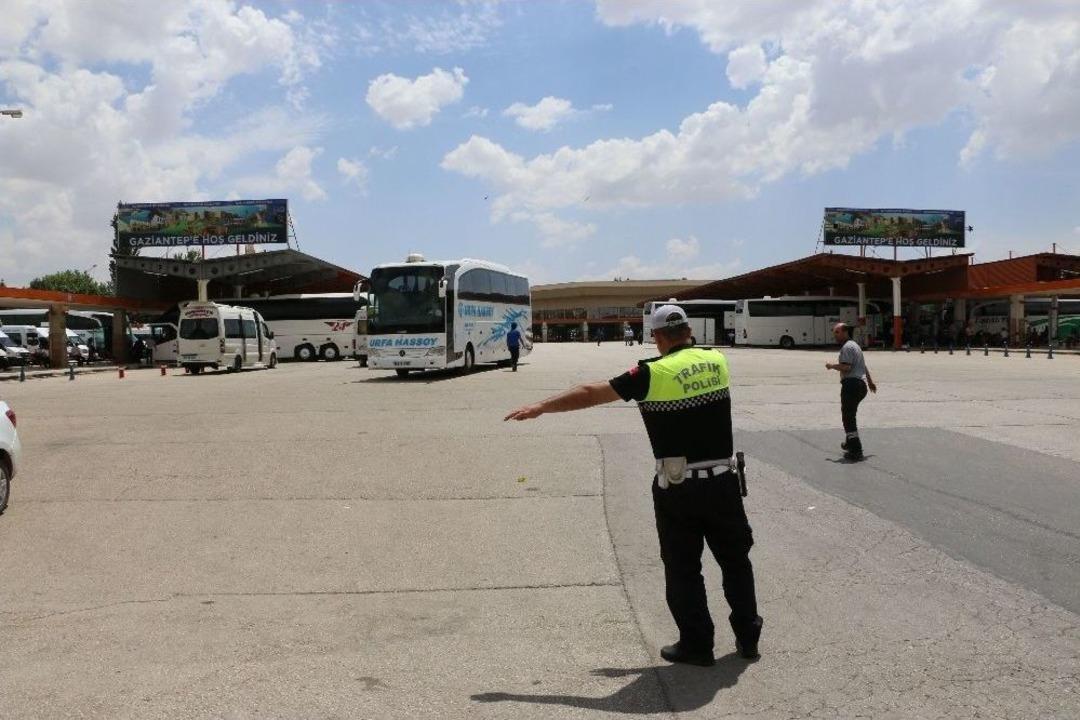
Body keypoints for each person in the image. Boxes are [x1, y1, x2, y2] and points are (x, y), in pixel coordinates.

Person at [505, 304, 762, 666]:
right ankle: (748, 639)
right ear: (689, 332)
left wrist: (541, 406)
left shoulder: (650, 374)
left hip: (679, 488)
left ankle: (697, 644)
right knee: (736, 562)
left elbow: (591, 392)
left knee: (684, 568)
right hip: (724, 482)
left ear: (656, 337)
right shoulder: (716, 360)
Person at [825, 323, 877, 461]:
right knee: (850, 414)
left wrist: (832, 366)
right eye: (834, 332)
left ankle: (856, 450)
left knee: (848, 418)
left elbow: (846, 367)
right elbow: (863, 366)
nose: (834, 335)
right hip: (861, 385)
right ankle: (849, 443)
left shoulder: (847, 348)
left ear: (845, 332)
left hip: (851, 385)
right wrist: (870, 382)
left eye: (837, 332)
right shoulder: (855, 346)